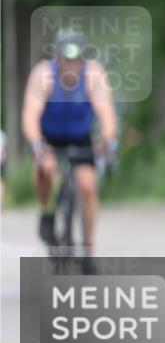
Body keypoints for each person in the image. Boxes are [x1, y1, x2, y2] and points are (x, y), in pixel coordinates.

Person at [21, 29, 118, 253]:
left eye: (76, 60)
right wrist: (37, 146)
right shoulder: (43, 74)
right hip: (49, 137)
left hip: (80, 137)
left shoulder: (93, 73)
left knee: (88, 186)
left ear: (83, 58)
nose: (71, 65)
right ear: (57, 57)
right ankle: (47, 211)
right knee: (45, 170)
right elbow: (30, 115)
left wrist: (108, 142)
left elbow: (106, 113)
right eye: (66, 59)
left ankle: (88, 246)